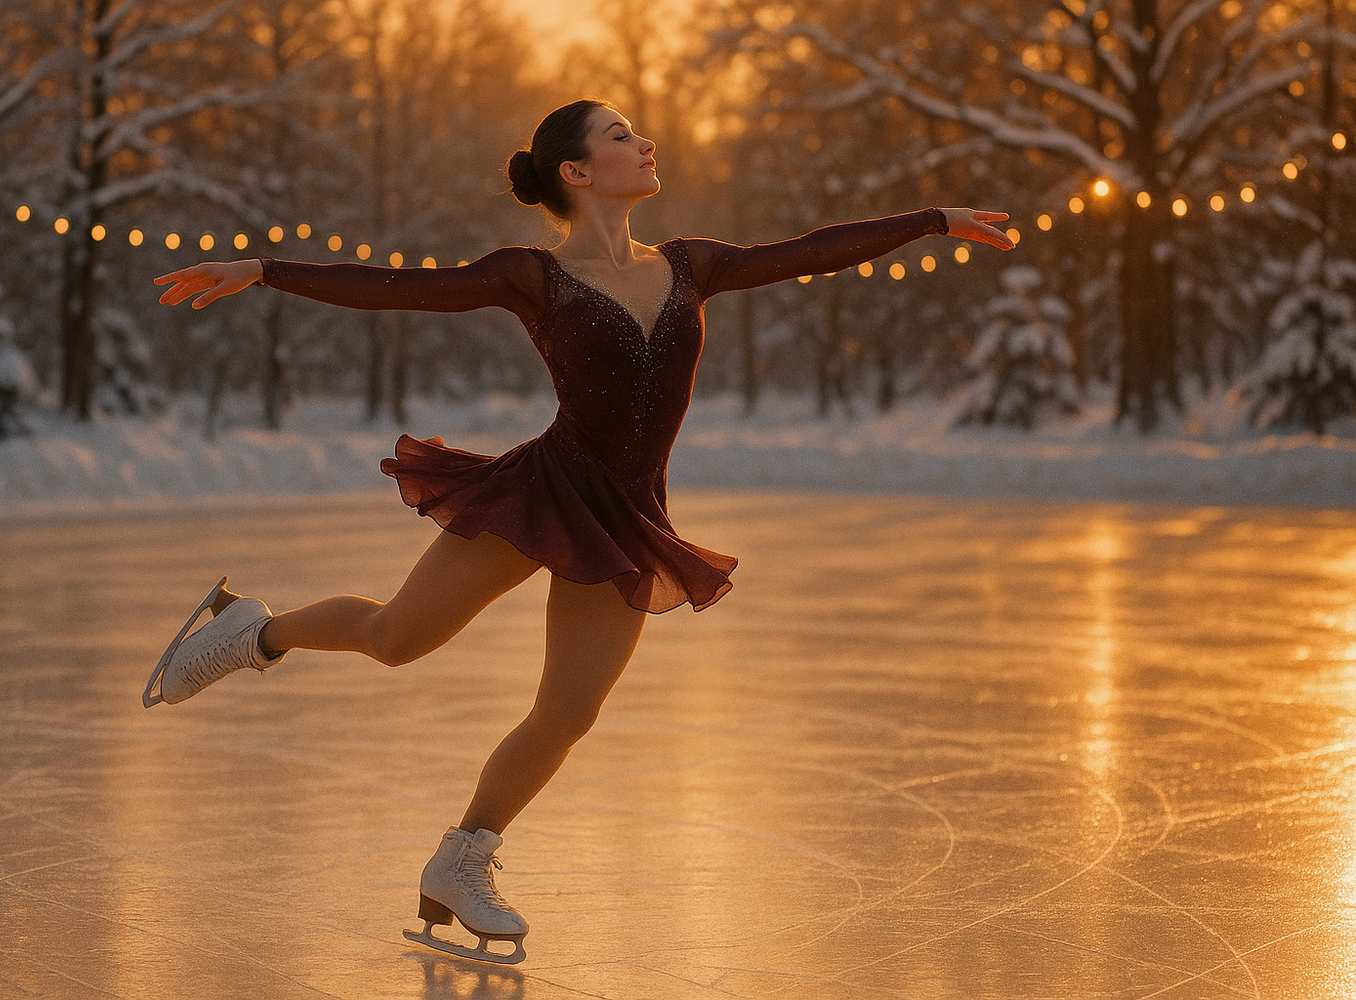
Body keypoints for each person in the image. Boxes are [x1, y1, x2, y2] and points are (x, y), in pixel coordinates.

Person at [146, 98, 1014, 964]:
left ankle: (463, 857)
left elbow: (808, 254)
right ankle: (250, 633)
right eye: (621, 136)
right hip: (544, 490)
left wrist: (932, 220)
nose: (645, 143)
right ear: (577, 171)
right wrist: (265, 269)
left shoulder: (691, 265)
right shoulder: (534, 277)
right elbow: (400, 292)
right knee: (397, 637)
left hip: (630, 517)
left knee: (568, 711)